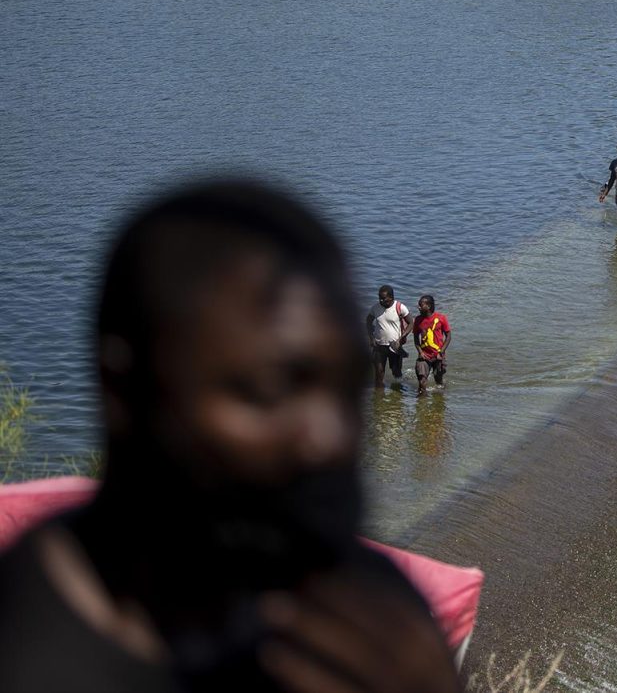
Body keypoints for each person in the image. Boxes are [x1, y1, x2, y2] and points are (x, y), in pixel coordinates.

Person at [0, 181, 461, 693]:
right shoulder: (25, 653)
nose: (331, 438)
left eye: (343, 386)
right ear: (124, 390)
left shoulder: (380, 618)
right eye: (268, 391)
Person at [366, 284, 412, 389]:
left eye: (384, 299)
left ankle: (397, 396)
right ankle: (379, 398)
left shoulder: (400, 307)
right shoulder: (375, 308)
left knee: (396, 373)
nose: (381, 301)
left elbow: (411, 323)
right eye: (380, 298)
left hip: (395, 345)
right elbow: (368, 321)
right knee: (379, 373)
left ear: (391, 297)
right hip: (379, 345)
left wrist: (402, 337)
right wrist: (371, 338)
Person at [412, 294, 451, 392]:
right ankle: (421, 402)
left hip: (438, 355)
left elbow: (448, 336)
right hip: (424, 355)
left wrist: (441, 352)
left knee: (438, 381)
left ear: (428, 306)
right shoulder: (417, 320)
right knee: (421, 381)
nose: (418, 307)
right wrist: (420, 352)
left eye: (421, 305)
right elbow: (416, 337)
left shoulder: (441, 318)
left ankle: (439, 400)